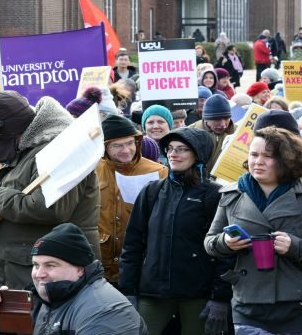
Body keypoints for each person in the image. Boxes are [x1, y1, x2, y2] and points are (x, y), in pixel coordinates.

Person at [0, 92, 100, 289]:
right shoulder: (28, 151)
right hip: (26, 271)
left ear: (16, 132)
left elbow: (48, 207)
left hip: (53, 274)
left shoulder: (59, 150)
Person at [119, 127, 231, 335]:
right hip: (153, 292)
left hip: (197, 294)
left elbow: (225, 251)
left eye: (182, 149)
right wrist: (128, 290)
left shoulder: (215, 194)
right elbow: (133, 244)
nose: (173, 154)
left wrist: (220, 298)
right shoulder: (153, 191)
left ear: (198, 153)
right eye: (170, 149)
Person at [205, 115, 302, 334]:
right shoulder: (232, 193)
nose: (258, 161)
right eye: (253, 154)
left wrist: (294, 246)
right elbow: (209, 242)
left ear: (287, 159)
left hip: (294, 307)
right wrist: (226, 242)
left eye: (267, 156)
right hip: (248, 306)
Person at [0, 223, 146, 335]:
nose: (39, 274)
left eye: (50, 265)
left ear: (79, 269)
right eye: (36, 265)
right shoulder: (42, 300)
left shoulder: (106, 311)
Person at [96, 115, 167, 287]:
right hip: (100, 263)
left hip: (141, 262)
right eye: (117, 145)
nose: (126, 150)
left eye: (130, 143)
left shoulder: (159, 172)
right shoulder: (93, 170)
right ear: (105, 147)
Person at [191, 94, 235, 173]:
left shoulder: (239, 133)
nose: (223, 124)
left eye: (226, 118)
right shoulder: (190, 133)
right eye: (217, 119)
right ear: (206, 119)